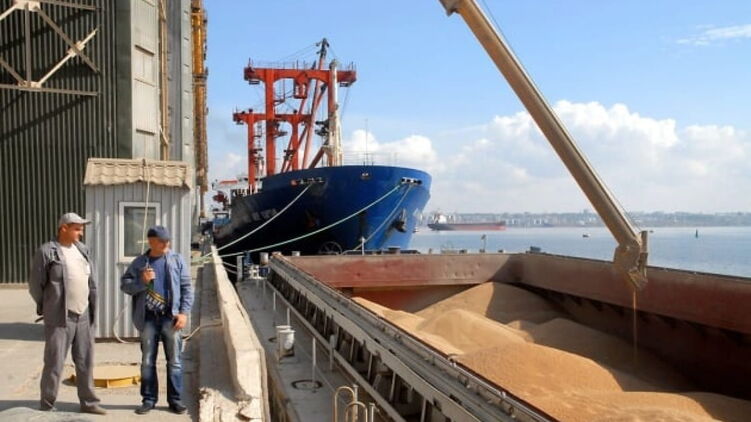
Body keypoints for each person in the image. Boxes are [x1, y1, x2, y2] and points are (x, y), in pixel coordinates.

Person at [28, 212, 107, 415]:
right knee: (54, 362)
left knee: (85, 361)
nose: (81, 233)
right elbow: (36, 285)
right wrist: (47, 306)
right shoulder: (47, 251)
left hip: (83, 314)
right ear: (64, 228)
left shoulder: (82, 250)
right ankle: (47, 404)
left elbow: (90, 280)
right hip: (60, 317)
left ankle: (89, 403)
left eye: (81, 229)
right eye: (77, 229)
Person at [121, 225, 193, 415]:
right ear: (151, 241)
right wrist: (142, 282)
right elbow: (125, 286)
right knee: (147, 361)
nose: (166, 243)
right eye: (161, 241)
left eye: (167, 240)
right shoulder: (140, 263)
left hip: (171, 317)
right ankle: (149, 399)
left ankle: (175, 400)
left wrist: (184, 313)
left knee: (175, 361)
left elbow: (187, 288)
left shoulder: (177, 260)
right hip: (148, 319)